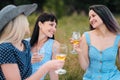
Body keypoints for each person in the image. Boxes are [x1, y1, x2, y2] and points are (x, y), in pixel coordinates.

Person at [0, 3, 64, 80]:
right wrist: (46, 67)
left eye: (55, 26)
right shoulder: (5, 49)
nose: (27, 21)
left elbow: (23, 71)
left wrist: (29, 61)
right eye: (24, 18)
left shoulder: (25, 44)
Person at [71, 5, 120, 80]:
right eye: (89, 18)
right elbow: (85, 67)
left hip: (113, 77)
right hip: (91, 78)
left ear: (103, 15)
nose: (91, 19)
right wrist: (79, 52)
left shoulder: (118, 38)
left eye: (93, 16)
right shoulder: (86, 36)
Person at [26, 13, 60, 80]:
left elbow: (53, 72)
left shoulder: (55, 45)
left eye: (55, 26)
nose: (54, 29)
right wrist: (29, 61)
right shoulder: (25, 42)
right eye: (51, 24)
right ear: (40, 24)